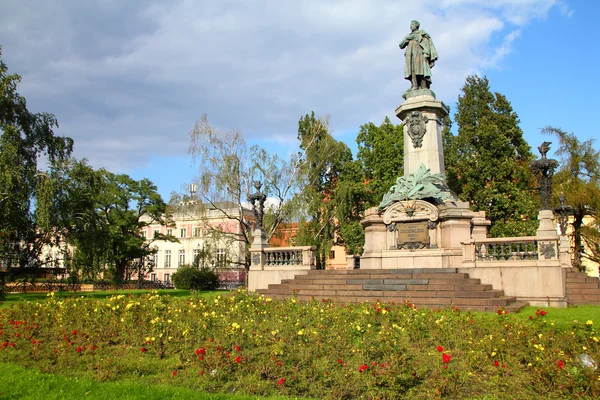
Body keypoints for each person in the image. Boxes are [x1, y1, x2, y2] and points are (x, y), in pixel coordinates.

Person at [399, 20, 438, 90]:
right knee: (412, 69)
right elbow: (401, 45)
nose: (411, 26)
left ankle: (424, 86)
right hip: (410, 55)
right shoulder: (409, 36)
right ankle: (415, 85)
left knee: (421, 69)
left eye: (413, 24)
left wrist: (426, 53)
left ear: (416, 25)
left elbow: (427, 44)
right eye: (411, 24)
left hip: (419, 53)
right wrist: (406, 39)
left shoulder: (421, 33)